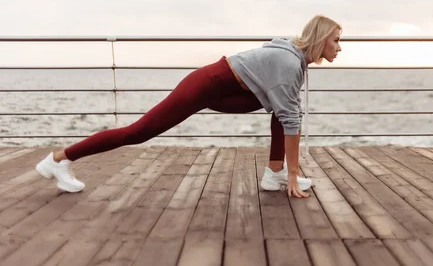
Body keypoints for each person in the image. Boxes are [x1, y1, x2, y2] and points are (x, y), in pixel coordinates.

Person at [35, 15, 342, 198]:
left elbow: (288, 113)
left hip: (225, 87)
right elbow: (291, 120)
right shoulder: (289, 62)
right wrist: (293, 177)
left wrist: (288, 167)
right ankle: (59, 159)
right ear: (321, 39)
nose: (339, 48)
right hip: (206, 84)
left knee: (285, 111)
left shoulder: (294, 59)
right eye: (336, 41)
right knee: (139, 132)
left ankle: (274, 172)